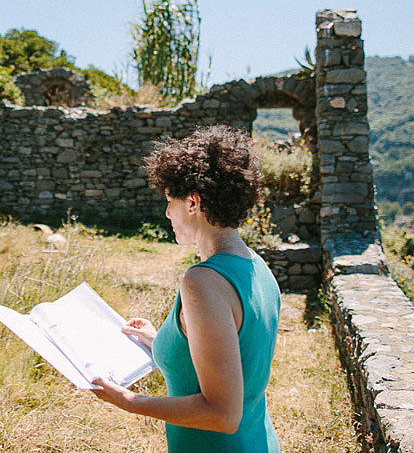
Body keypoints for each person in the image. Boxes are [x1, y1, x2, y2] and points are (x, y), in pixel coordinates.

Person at [92, 125, 282, 452]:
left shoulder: (202, 282)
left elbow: (222, 414)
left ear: (193, 202)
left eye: (170, 200)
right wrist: (163, 339)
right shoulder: (257, 266)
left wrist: (130, 401)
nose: (166, 212)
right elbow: (230, 354)